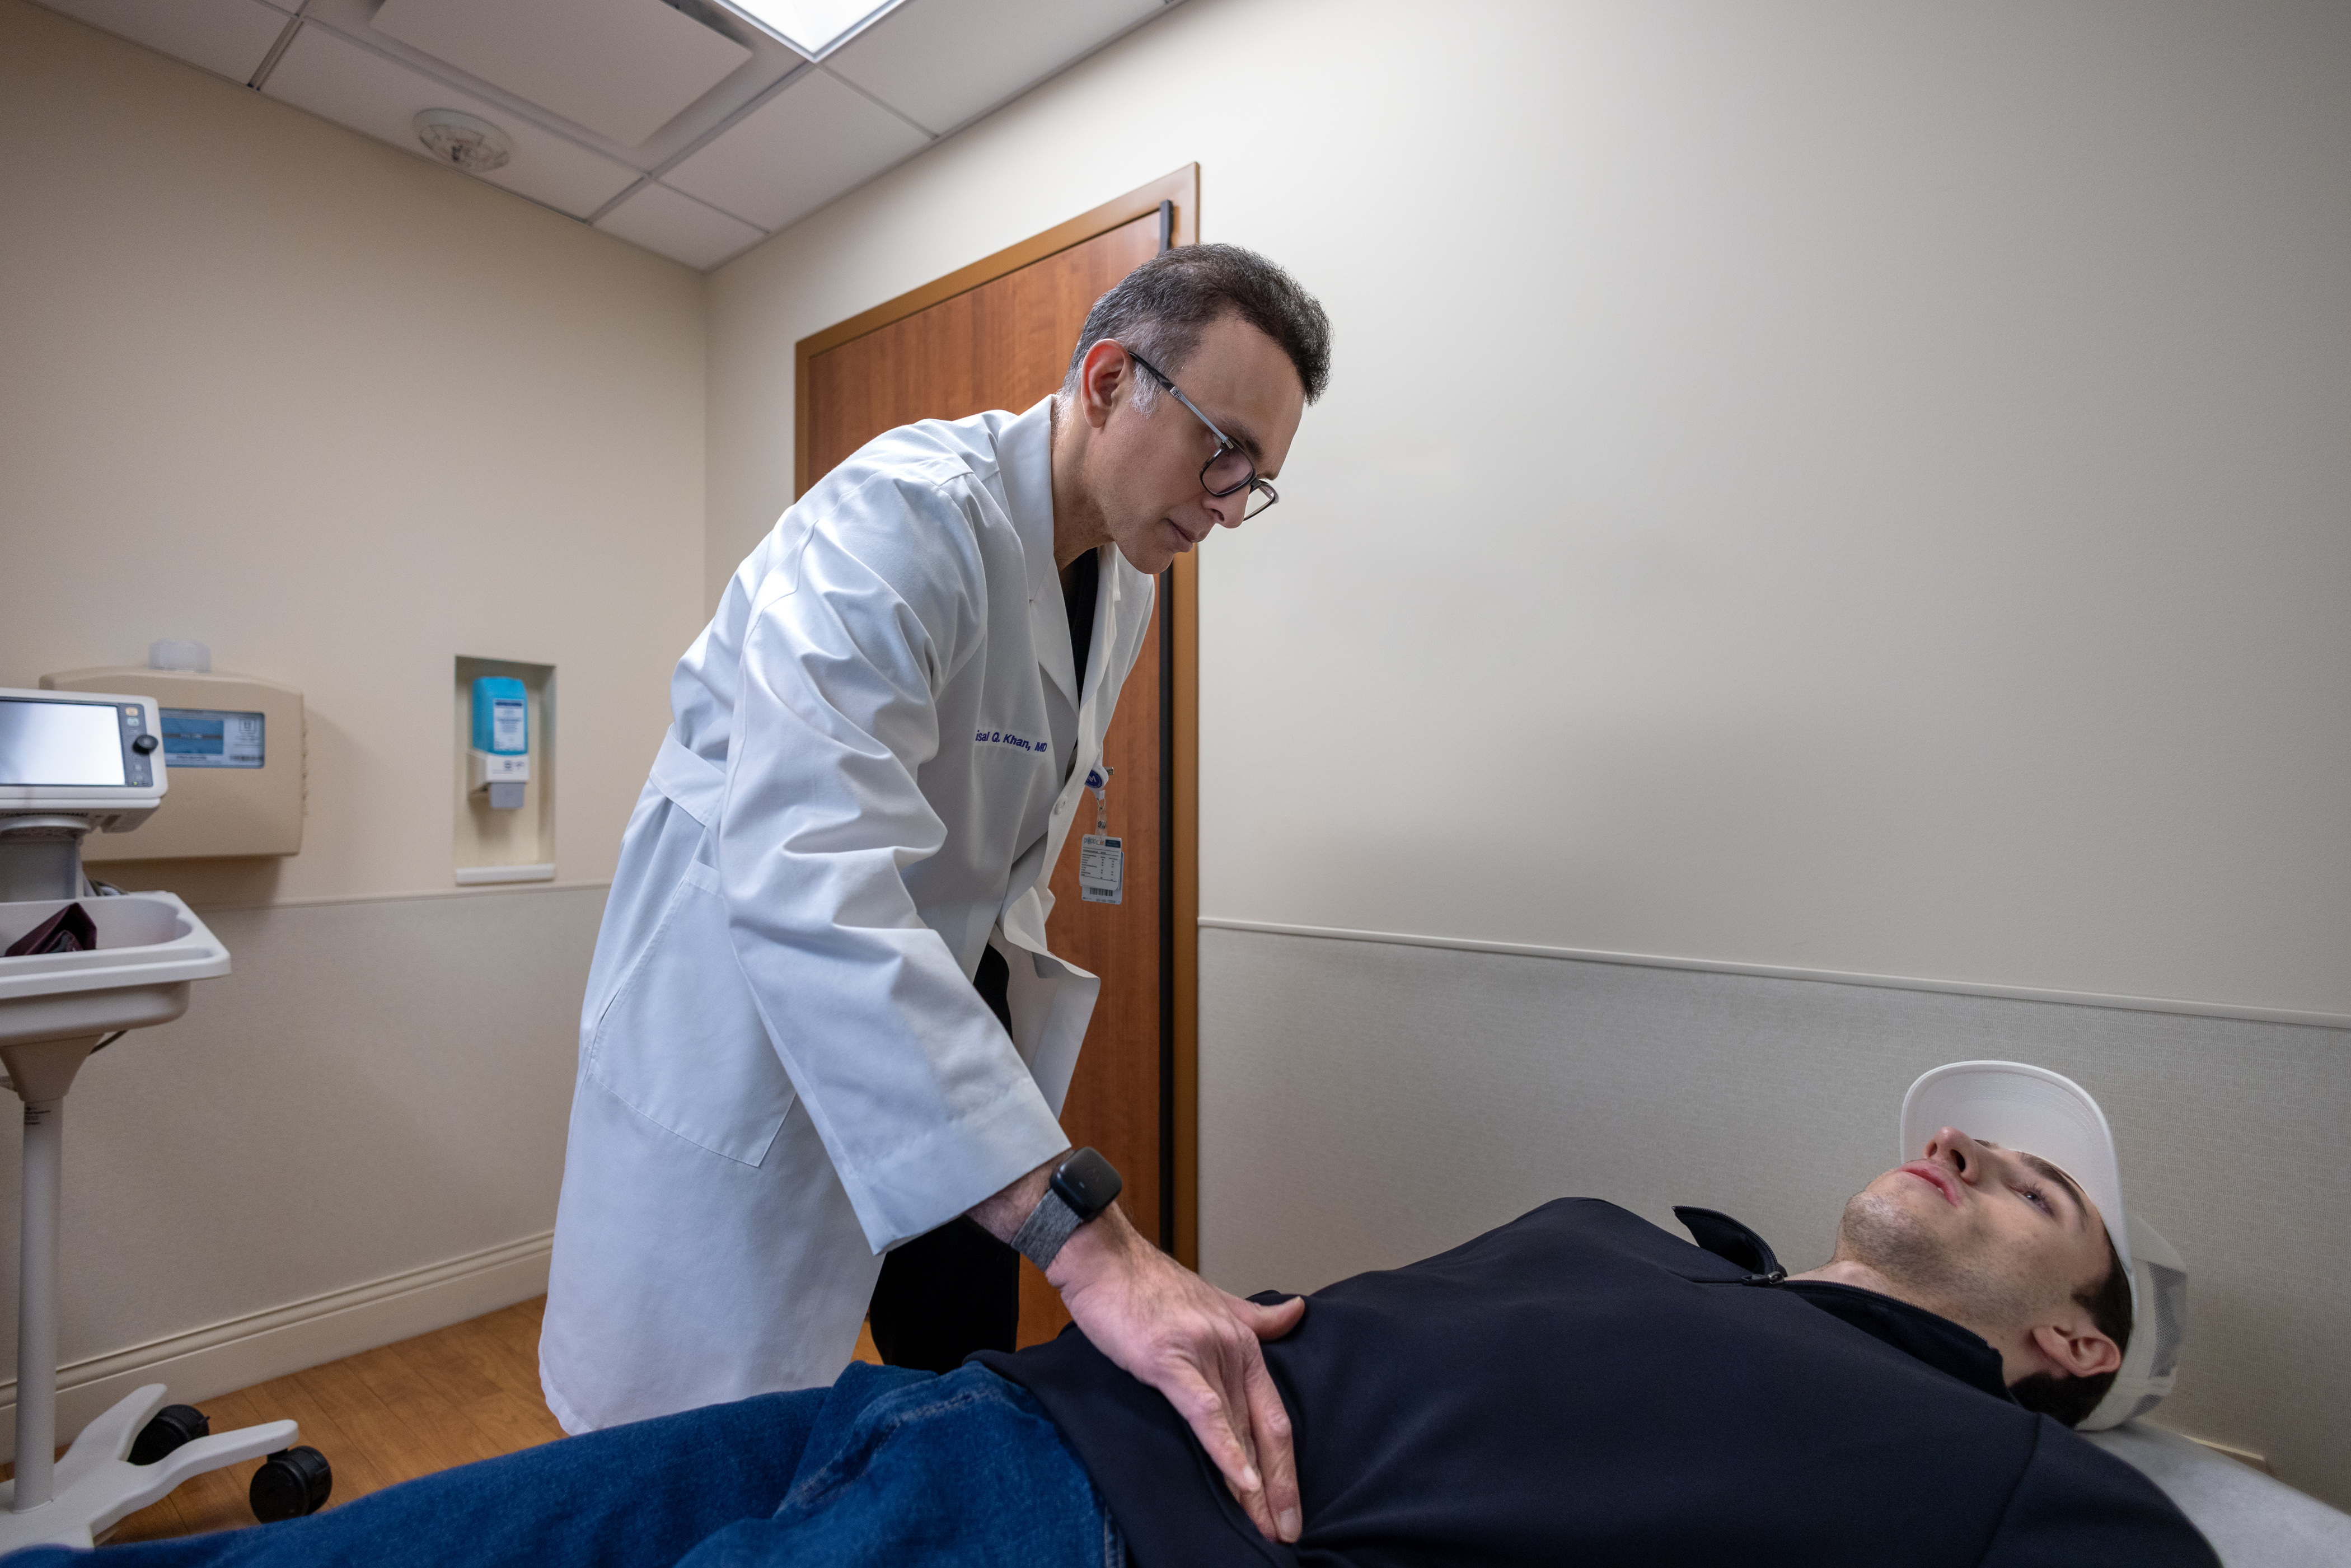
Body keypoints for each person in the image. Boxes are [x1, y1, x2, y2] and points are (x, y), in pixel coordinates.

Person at [14, 1061, 2216, 1566]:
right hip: (954, 1398)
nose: (1967, 1158)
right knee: (351, 1550)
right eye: (1960, 1135)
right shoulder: (1666, 1244)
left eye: (2031, 1190)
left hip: (1085, 1542)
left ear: (2072, 1346)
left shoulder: (2009, 1474)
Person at [538, 246, 1331, 1540]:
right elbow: (810, 868)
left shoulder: (1117, 582)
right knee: (679, 1478)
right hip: (750, 1039)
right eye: (1222, 451)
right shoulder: (900, 517)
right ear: (1108, 380)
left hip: (941, 1035)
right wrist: (1085, 1232)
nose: (1230, 505)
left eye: (1260, 481)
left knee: (945, 1405)